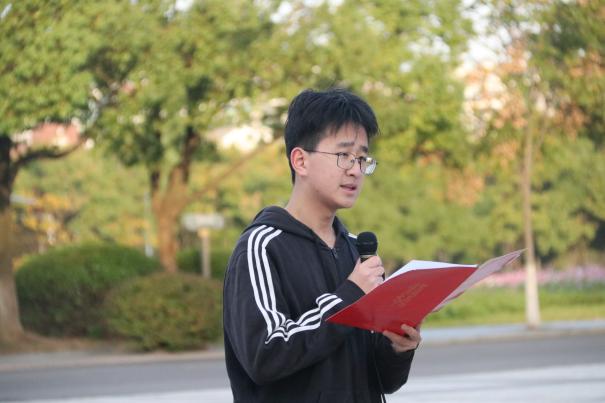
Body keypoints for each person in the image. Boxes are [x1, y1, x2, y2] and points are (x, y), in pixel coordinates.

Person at [223, 88, 421, 402]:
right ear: (300, 160)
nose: (355, 170)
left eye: (362, 158)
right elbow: (265, 355)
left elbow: (381, 380)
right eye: (344, 156)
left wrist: (398, 348)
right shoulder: (260, 248)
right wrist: (349, 296)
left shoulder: (358, 252)